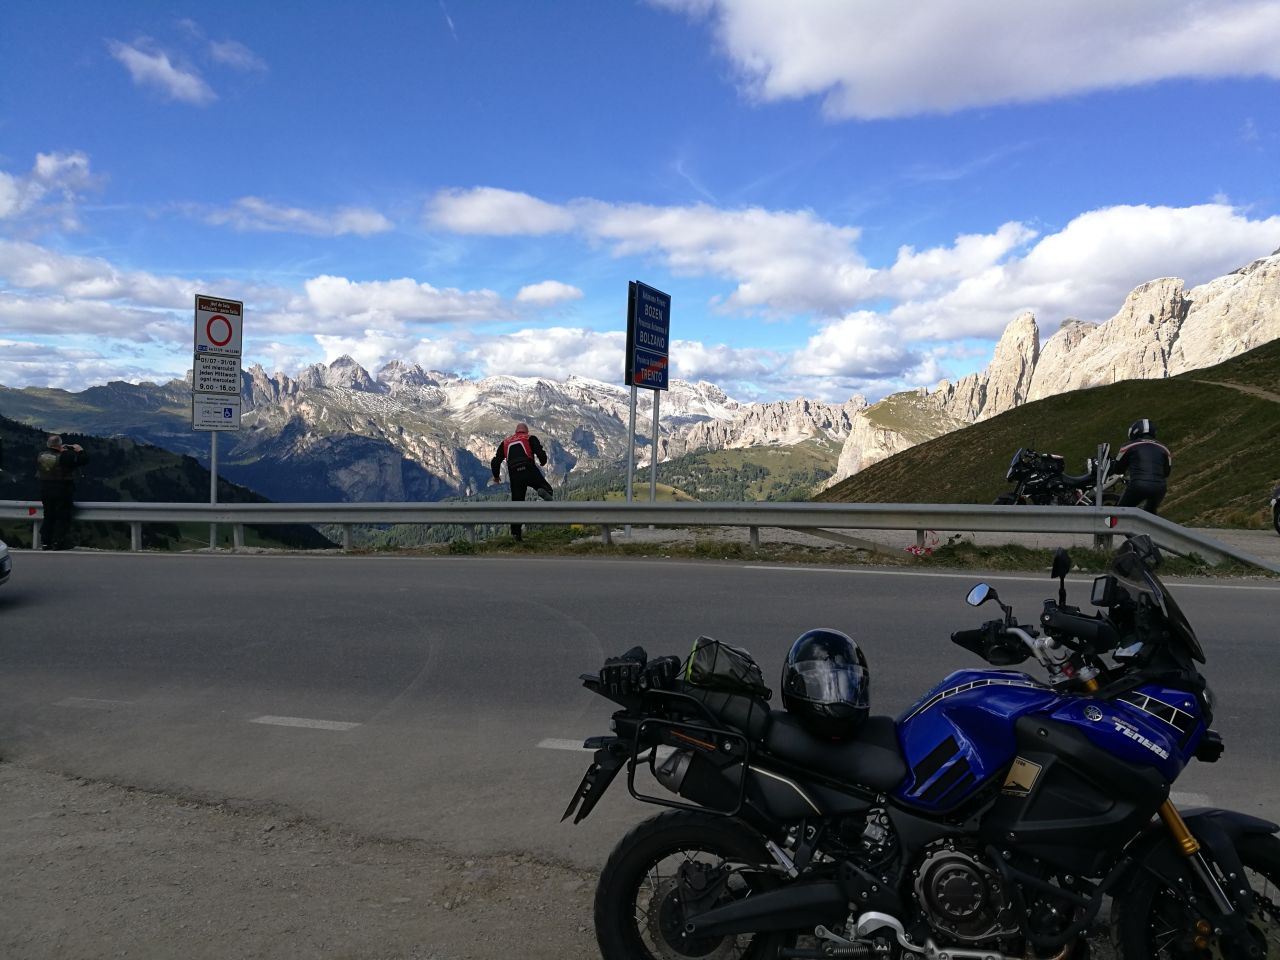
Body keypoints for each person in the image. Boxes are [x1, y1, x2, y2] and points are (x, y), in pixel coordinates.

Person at [490, 422, 553, 541]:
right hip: (529, 470)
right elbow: (540, 452)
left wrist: (496, 477)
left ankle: (516, 534)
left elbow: (496, 461)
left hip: (515, 475)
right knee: (547, 489)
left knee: (517, 506)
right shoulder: (529, 438)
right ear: (526, 431)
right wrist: (543, 461)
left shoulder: (505, 442)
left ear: (516, 432)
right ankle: (543, 491)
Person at [36, 434, 89, 550]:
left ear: (48, 444)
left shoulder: (41, 455)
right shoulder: (66, 456)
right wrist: (80, 450)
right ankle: (58, 542)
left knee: (48, 515)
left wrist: (61, 450)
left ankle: (46, 542)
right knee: (62, 516)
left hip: (45, 489)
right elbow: (84, 460)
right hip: (62, 489)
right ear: (59, 444)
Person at [1111, 418, 1171, 514]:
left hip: (1138, 485)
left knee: (1120, 513)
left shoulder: (1127, 446)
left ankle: (1112, 523)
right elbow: (1166, 472)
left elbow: (1118, 469)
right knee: (1150, 514)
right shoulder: (1164, 449)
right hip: (1159, 487)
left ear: (1134, 432)